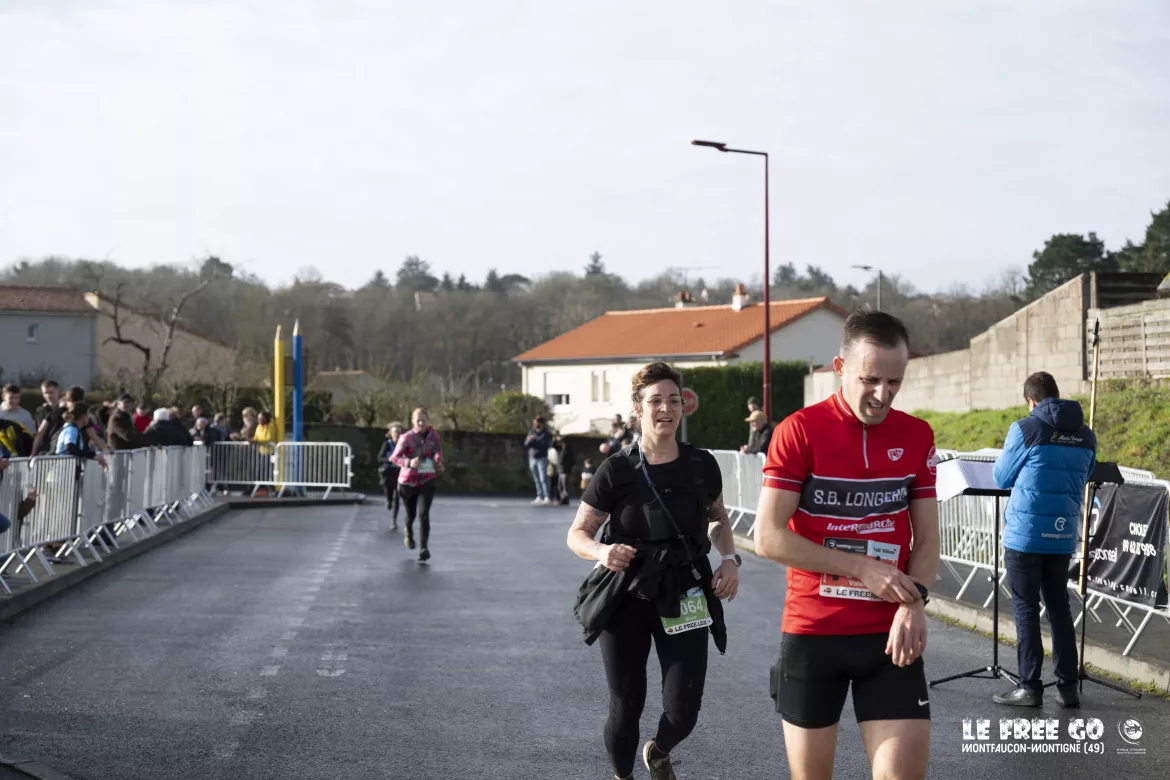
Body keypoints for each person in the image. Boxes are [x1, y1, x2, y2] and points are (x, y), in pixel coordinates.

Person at [754, 310, 940, 780]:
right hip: (814, 632)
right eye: (870, 379)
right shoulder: (799, 431)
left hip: (889, 634)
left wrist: (914, 602)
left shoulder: (916, 435)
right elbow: (768, 537)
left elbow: (928, 538)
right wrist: (860, 567)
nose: (882, 394)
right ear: (840, 368)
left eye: (894, 382)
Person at [568, 361, 740, 780]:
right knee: (626, 704)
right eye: (656, 401)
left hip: (684, 589)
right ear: (638, 408)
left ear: (683, 407)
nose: (666, 409)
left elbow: (717, 519)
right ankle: (623, 775)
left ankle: (658, 750)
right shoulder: (617, 469)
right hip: (625, 593)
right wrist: (601, 551)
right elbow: (578, 533)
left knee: (684, 708)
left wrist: (730, 559)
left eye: (674, 400)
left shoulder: (702, 465)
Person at [990, 371, 1095, 708]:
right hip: (1062, 536)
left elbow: (1001, 477)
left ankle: (1030, 687)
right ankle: (1068, 688)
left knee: (1026, 608)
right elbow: (1086, 474)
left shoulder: (1026, 428)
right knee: (1059, 609)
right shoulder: (1086, 434)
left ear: (1031, 401)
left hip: (1025, 536)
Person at [390, 408, 445, 562]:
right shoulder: (406, 438)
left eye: (424, 420)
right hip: (408, 481)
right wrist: (409, 462)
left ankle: (424, 548)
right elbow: (394, 458)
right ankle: (408, 532)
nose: (421, 423)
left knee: (424, 514)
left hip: (427, 479)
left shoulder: (434, 436)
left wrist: (438, 461)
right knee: (411, 514)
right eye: (418, 420)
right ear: (413, 421)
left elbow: (438, 451)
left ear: (428, 421)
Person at [377, 421, 406, 531]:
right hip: (388, 472)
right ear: (390, 433)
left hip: (400, 472)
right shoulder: (387, 444)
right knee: (389, 494)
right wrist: (389, 459)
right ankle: (388, 500)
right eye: (394, 432)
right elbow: (379, 458)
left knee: (397, 497)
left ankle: (394, 521)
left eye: (399, 432)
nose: (397, 434)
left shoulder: (404, 444)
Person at [524, 415, 553, 505]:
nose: (535, 424)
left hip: (542, 458)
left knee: (543, 478)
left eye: (537, 423)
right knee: (536, 479)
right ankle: (539, 496)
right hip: (532, 458)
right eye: (534, 422)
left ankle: (547, 497)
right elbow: (526, 444)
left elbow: (544, 445)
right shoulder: (531, 432)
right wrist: (530, 440)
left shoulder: (546, 433)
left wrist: (534, 441)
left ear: (541, 424)